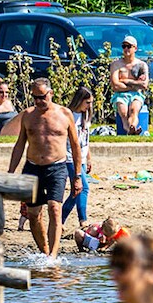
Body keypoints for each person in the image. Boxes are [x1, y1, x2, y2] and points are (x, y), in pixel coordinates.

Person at [6, 78, 80, 260]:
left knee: (55, 209)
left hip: (57, 167)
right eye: (35, 97)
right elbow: (19, 145)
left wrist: (77, 176)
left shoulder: (65, 114)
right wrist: (10, 173)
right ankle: (45, 252)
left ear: (51, 94)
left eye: (42, 97)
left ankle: (53, 257)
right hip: (32, 168)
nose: (38, 101)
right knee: (33, 214)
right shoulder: (28, 115)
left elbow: (76, 145)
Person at [60, 87, 94, 229]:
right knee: (83, 188)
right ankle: (83, 220)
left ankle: (60, 220)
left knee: (76, 191)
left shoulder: (86, 116)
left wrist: (89, 157)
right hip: (70, 157)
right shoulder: (70, 116)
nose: (89, 106)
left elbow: (86, 139)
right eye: (87, 102)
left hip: (82, 158)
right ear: (79, 101)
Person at [110, 36, 150, 134]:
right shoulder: (116, 65)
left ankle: (132, 127)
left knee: (133, 110)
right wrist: (135, 85)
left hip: (136, 95)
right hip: (120, 95)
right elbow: (115, 86)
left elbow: (144, 85)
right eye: (124, 46)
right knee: (123, 112)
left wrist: (125, 81)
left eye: (129, 46)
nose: (126, 49)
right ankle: (129, 130)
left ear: (135, 48)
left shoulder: (141, 65)